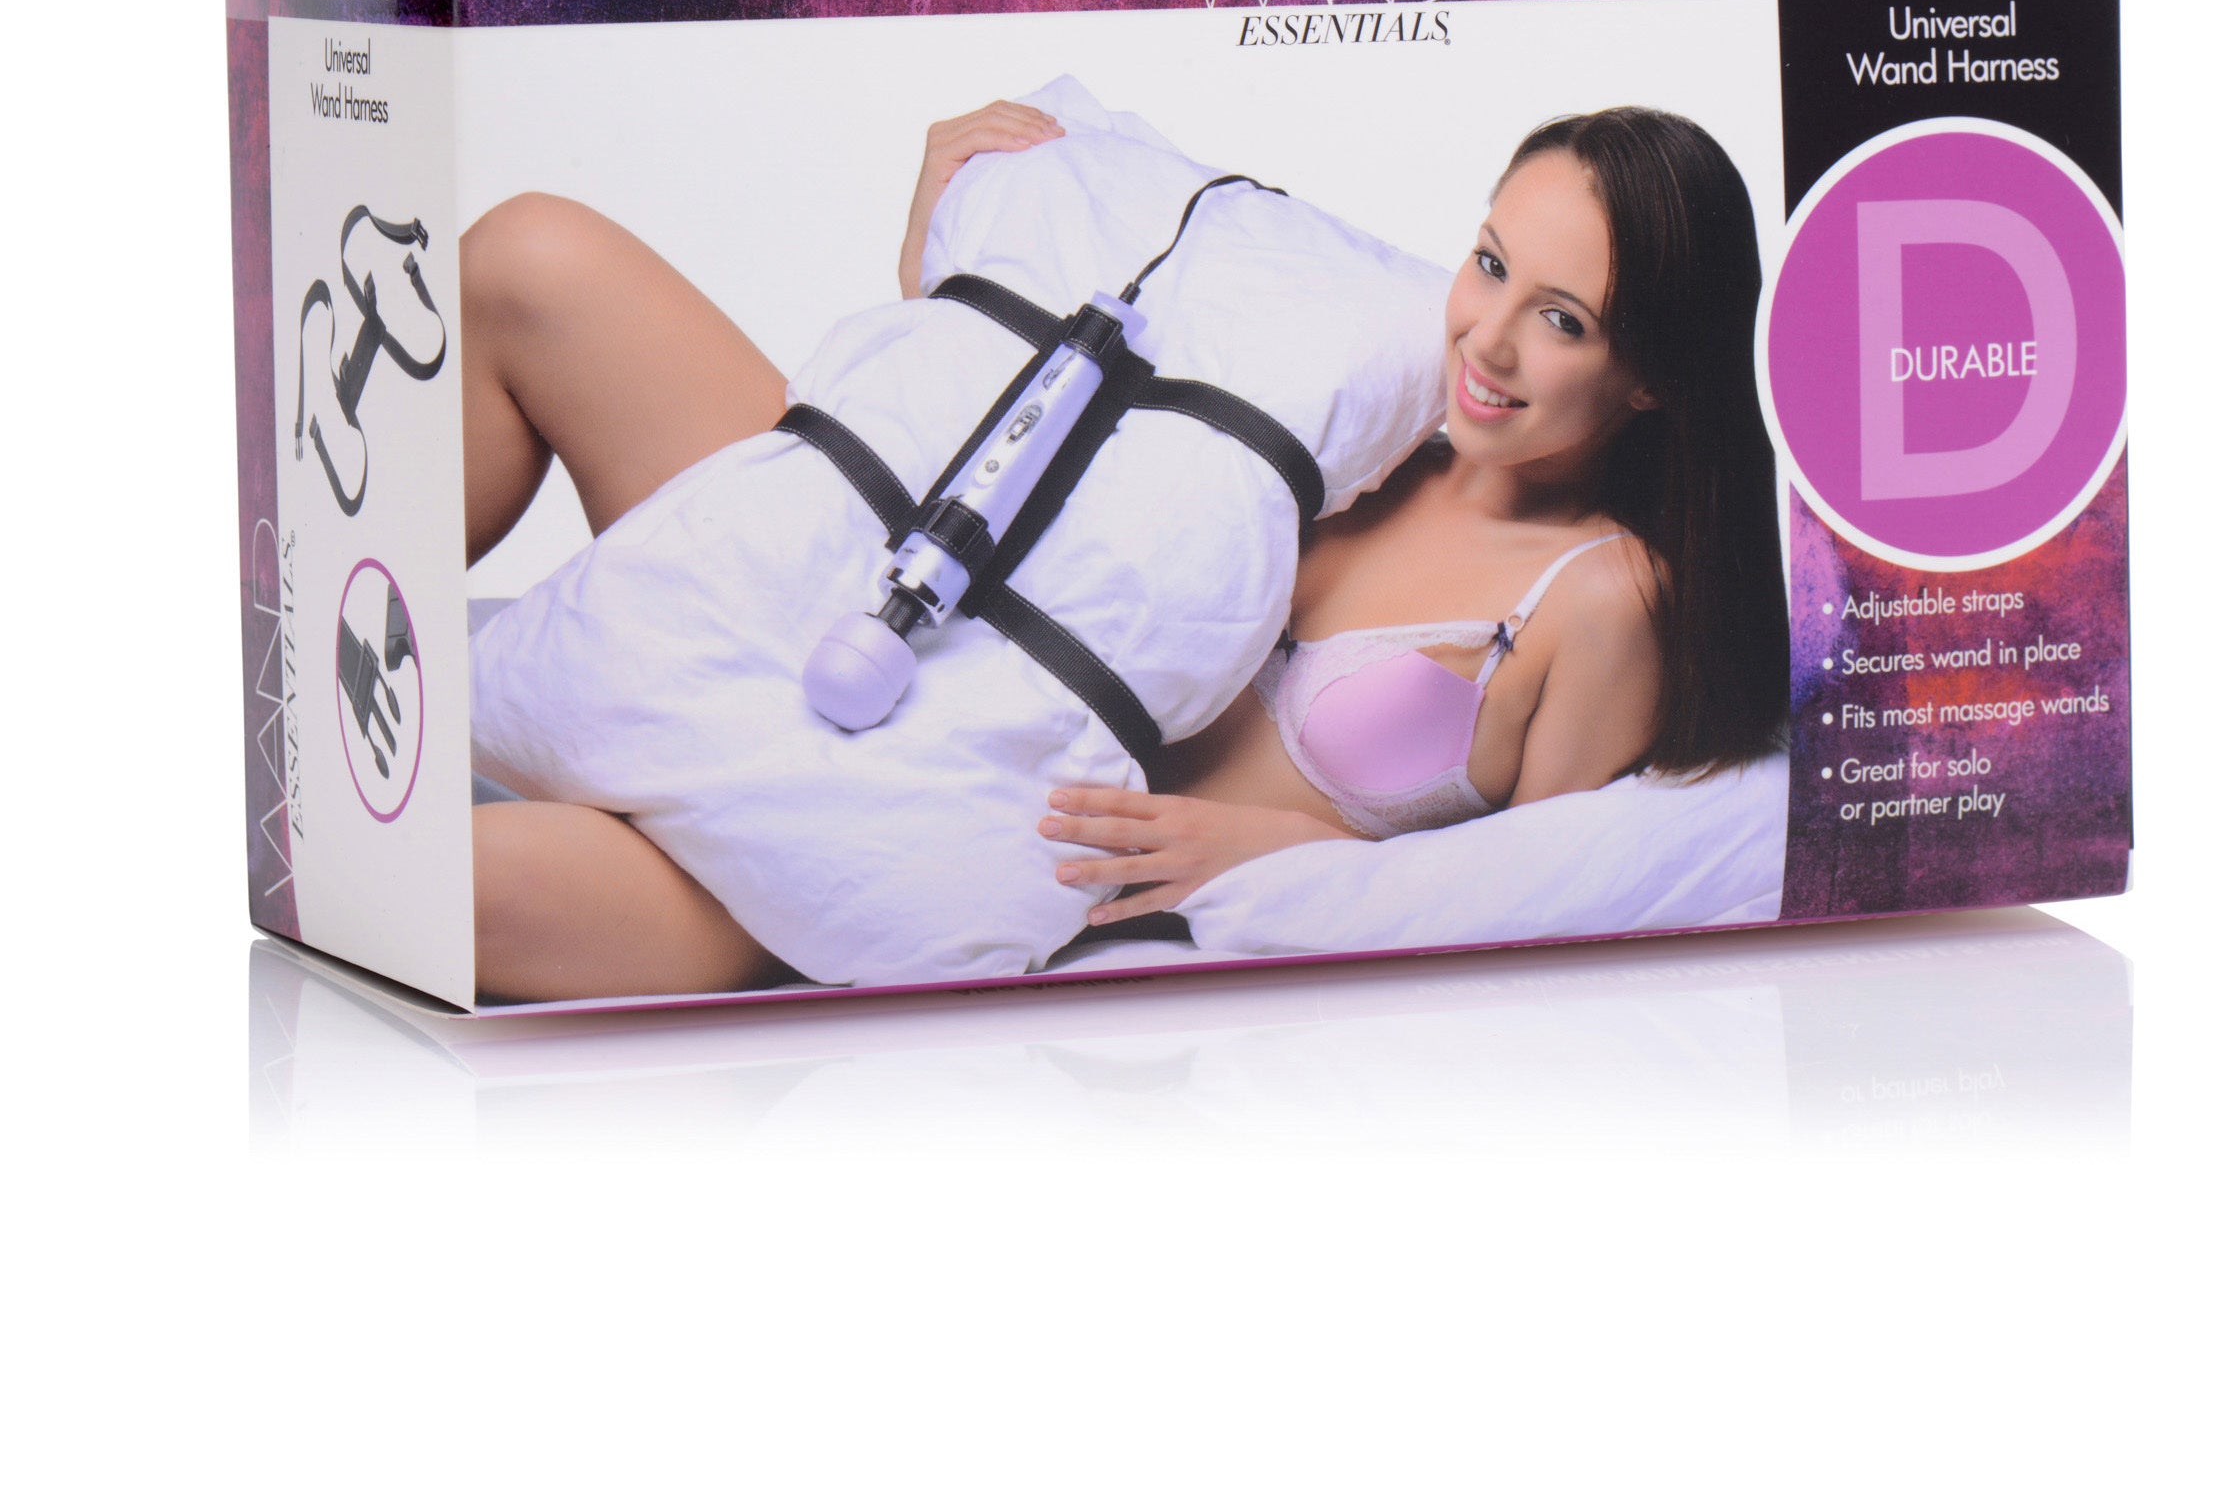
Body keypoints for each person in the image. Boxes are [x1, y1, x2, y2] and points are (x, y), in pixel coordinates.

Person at [467, 99, 1787, 999]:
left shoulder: (1603, 598)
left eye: (1561, 319)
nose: (1487, 342)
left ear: (1654, 375)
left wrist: (1266, 856)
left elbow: (1536, 908)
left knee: (442, 882)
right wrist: (954, 245)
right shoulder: (1364, 426)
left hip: (931, 834)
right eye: (1489, 265)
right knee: (535, 254)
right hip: (890, 628)